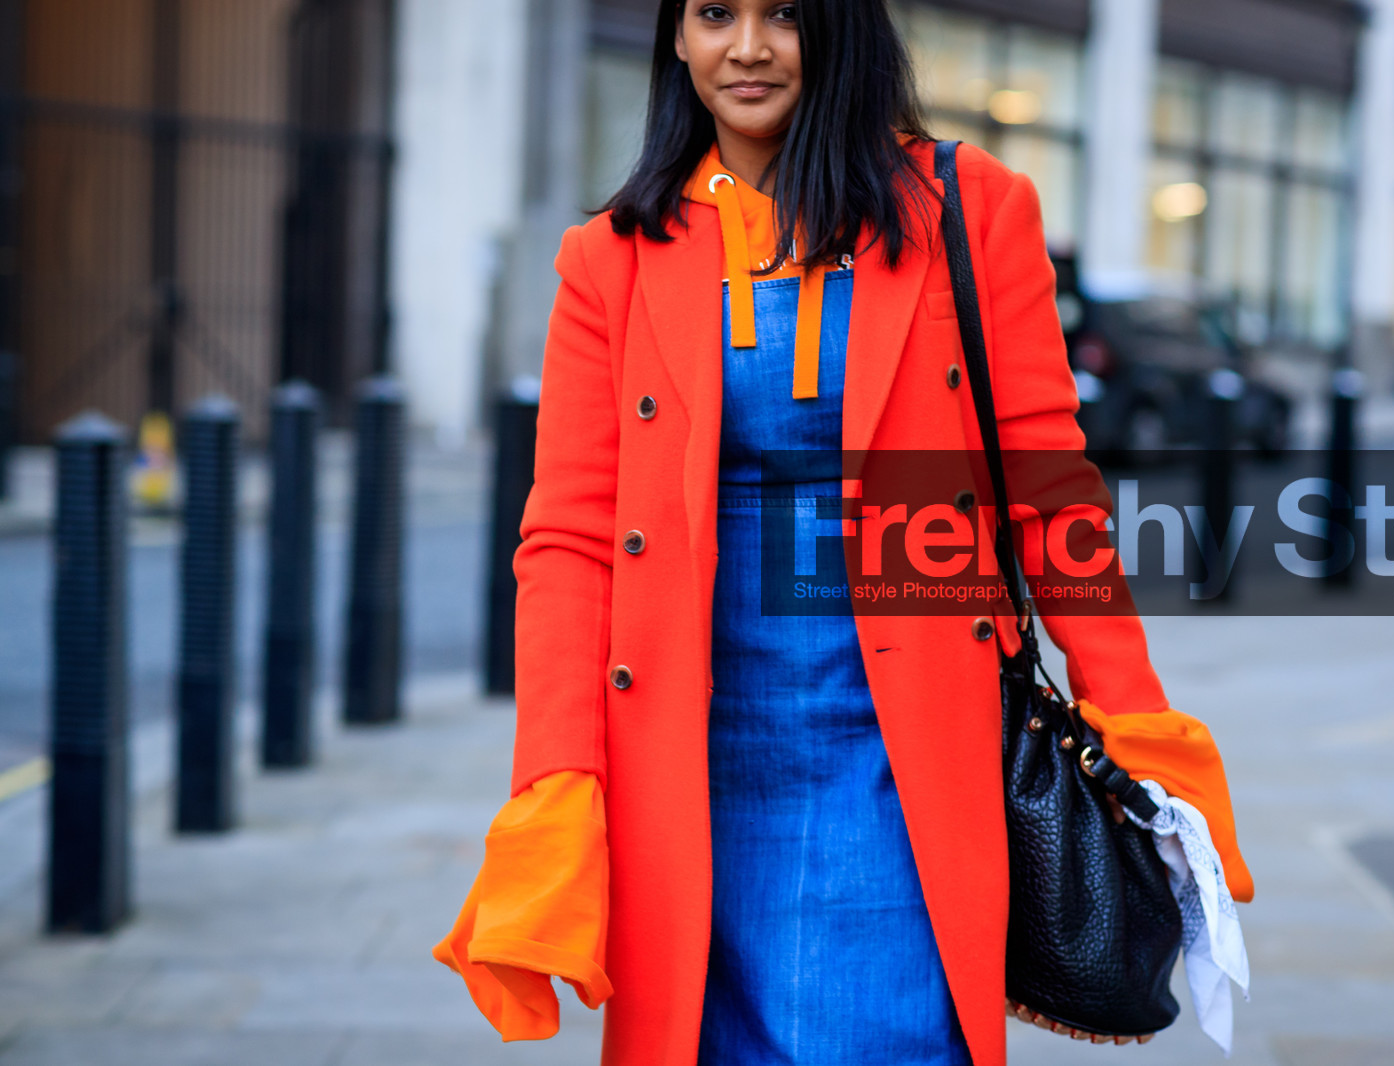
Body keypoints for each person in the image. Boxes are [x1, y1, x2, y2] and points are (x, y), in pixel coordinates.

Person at [433, 1, 1254, 1063]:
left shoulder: (969, 209)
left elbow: (1050, 492)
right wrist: (552, 782)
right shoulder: (612, 258)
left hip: (906, 746)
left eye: (785, 14)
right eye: (714, 13)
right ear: (675, 39)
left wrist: (1138, 722)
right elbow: (569, 539)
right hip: (691, 758)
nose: (747, 47)